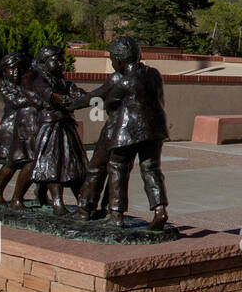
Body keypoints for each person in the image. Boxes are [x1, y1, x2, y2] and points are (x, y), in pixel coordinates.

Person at [71, 37, 169, 230]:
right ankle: (160, 210)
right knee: (151, 169)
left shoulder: (124, 82)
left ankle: (115, 214)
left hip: (128, 132)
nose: (111, 62)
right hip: (155, 130)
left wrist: (74, 103)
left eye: (112, 59)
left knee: (117, 168)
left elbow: (106, 102)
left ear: (120, 60)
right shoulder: (154, 74)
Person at [11, 45, 86, 215]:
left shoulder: (62, 80)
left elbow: (78, 92)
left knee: (73, 164)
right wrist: (60, 99)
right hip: (47, 126)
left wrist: (92, 98)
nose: (61, 64)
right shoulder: (36, 77)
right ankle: (50, 201)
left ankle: (82, 201)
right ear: (44, 61)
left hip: (65, 125)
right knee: (50, 163)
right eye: (56, 60)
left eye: (62, 61)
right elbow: (47, 94)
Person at [0, 52, 40, 205]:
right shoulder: (6, 89)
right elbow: (17, 102)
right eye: (11, 69)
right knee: (11, 163)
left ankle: (35, 195)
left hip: (27, 129)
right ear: (4, 71)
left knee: (32, 162)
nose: (16, 73)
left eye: (19, 69)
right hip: (11, 131)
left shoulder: (27, 84)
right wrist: (35, 97)